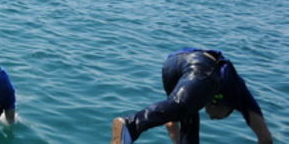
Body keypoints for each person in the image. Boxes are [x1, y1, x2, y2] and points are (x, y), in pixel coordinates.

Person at [110, 48, 272, 144]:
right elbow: (266, 138)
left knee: (186, 122)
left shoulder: (198, 96)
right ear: (228, 107)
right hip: (203, 66)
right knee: (180, 106)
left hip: (172, 62)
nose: (211, 117)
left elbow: (171, 122)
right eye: (218, 118)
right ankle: (131, 124)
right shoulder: (240, 93)